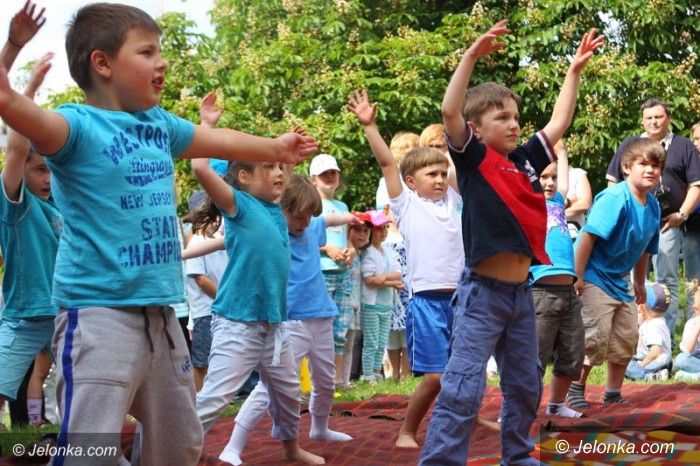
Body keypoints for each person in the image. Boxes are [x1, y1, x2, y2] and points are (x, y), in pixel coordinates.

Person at [0, 3, 318, 463]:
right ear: (102, 63)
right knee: (90, 449)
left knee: (179, 443)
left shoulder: (158, 125)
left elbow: (218, 140)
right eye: (147, 52)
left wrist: (276, 148)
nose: (162, 62)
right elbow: (6, 99)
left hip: (162, 318)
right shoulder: (74, 127)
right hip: (99, 315)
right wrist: (14, 45)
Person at [419, 20, 604, 466]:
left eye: (515, 117)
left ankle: (518, 454)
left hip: (523, 293)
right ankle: (441, 460)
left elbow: (559, 122)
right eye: (501, 117)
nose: (513, 123)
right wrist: (470, 56)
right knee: (463, 386)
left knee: (524, 384)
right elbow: (448, 111)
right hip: (481, 295)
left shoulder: (524, 162)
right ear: (475, 129)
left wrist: (573, 72)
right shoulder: (473, 159)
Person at [191, 139, 323, 464]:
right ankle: (172, 453)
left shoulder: (275, 208)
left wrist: (287, 156)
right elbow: (199, 167)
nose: (279, 173)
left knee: (288, 394)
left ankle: (291, 449)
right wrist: (207, 127)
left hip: (274, 327)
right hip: (238, 325)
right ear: (244, 176)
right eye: (269, 167)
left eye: (280, 168)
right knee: (214, 397)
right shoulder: (238, 206)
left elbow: (284, 175)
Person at [348, 90, 464, 447]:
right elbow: (387, 164)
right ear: (411, 181)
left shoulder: (455, 200)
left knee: (463, 374)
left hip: (462, 300)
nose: (440, 179)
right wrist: (369, 126)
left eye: (443, 173)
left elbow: (457, 156)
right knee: (434, 378)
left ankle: (467, 420)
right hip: (427, 303)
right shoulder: (408, 205)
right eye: (432, 174)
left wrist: (454, 129)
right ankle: (408, 431)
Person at [219, 174, 357, 465]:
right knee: (269, 387)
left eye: (308, 217)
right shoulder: (273, 232)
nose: (304, 223)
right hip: (291, 322)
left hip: (321, 316)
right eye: (298, 217)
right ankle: (233, 446)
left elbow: (327, 220)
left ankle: (319, 428)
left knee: (326, 380)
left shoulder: (312, 226)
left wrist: (352, 217)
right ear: (281, 210)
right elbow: (228, 240)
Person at [567, 139, 664, 409]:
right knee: (594, 336)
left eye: (656, 165)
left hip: (621, 281)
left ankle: (612, 392)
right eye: (643, 164)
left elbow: (646, 248)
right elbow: (588, 236)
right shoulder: (615, 198)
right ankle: (575, 389)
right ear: (626, 167)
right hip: (594, 275)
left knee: (626, 337)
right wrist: (577, 275)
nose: (650, 170)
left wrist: (639, 282)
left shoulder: (653, 206)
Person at [606, 100, 700, 338]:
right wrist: (619, 215)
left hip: (668, 224)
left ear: (668, 118)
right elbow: (612, 181)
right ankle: (632, 333)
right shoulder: (630, 144)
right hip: (633, 222)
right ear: (642, 120)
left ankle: (663, 335)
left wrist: (682, 214)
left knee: (666, 279)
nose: (653, 122)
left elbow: (696, 185)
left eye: (658, 117)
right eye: (648, 118)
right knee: (629, 277)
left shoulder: (683, 146)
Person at [0, 51, 57, 426]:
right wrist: (31, 88)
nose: (47, 178)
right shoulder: (16, 204)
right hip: (24, 314)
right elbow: (18, 149)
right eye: (39, 170)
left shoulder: (59, 206)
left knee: (92, 385)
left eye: (50, 170)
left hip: (67, 311)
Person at [531, 139, 586, 419]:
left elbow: (564, 182)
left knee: (573, 352)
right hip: (539, 291)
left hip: (568, 291)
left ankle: (556, 403)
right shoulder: (528, 204)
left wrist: (561, 152)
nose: (550, 182)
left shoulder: (556, 202)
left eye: (552, 177)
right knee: (535, 356)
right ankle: (517, 408)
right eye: (543, 177)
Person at [309, 154, 356, 387]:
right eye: (323, 174)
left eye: (333, 173)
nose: (329, 177)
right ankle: (318, 380)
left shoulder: (342, 206)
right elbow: (302, 237)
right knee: (319, 327)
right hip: (322, 272)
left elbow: (347, 238)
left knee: (341, 327)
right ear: (313, 179)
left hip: (343, 272)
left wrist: (351, 250)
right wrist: (327, 248)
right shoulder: (310, 206)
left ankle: (336, 381)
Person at [359, 210, 404, 381]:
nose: (383, 232)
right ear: (371, 230)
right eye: (379, 228)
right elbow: (370, 279)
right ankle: (367, 374)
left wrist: (383, 278)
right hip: (371, 305)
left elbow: (398, 273)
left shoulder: (387, 251)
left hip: (387, 304)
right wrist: (391, 282)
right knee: (371, 342)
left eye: (385, 228)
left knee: (381, 343)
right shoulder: (368, 252)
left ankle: (376, 373)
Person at [625, 283, 672, 381]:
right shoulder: (657, 321)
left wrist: (641, 365)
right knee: (625, 362)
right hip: (654, 360)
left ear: (642, 307)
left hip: (658, 360)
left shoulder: (653, 326)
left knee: (627, 368)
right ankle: (655, 375)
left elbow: (655, 352)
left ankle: (647, 376)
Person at [683, 121, 700, 322]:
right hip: (694, 224)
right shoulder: (690, 163)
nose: (696, 144)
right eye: (695, 139)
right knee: (694, 278)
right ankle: (692, 323)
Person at [674, 279, 700, 381]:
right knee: (681, 359)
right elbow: (688, 350)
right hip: (694, 359)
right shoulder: (691, 324)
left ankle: (693, 376)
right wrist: (697, 327)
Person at [565, 165, 592, 238]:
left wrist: (557, 214)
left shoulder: (577, 173)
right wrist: (570, 201)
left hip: (573, 233)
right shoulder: (542, 175)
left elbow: (585, 204)